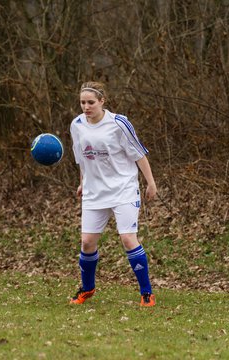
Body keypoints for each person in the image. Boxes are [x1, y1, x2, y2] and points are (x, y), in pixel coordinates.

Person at [69, 81, 157, 306]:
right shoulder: (77, 125)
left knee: (128, 238)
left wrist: (150, 183)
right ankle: (87, 289)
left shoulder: (119, 123)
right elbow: (82, 159)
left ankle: (146, 292)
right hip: (93, 192)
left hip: (123, 189)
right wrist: (82, 183)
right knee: (87, 243)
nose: (86, 107)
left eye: (91, 102)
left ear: (102, 102)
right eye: (82, 102)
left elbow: (139, 154)